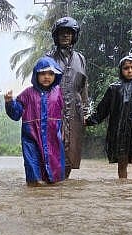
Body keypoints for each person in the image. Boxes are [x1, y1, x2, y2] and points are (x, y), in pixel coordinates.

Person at [85, 55, 132, 184]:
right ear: (121, 70)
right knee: (122, 161)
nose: (129, 70)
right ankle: (123, 190)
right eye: (126, 68)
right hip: (119, 131)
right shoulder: (114, 88)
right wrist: (87, 121)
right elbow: (102, 110)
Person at [5, 56, 65, 186]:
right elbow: (16, 114)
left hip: (52, 136)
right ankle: (34, 186)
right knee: (33, 168)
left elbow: (66, 113)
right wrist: (9, 103)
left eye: (50, 73)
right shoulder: (27, 93)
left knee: (54, 173)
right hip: (31, 137)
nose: (47, 77)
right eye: (43, 73)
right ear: (36, 75)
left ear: (56, 76)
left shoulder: (58, 92)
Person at [47, 16, 90, 179]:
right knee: (53, 149)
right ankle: (53, 182)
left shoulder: (81, 59)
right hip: (54, 110)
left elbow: (84, 86)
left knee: (71, 153)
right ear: (56, 36)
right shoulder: (49, 57)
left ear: (74, 36)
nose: (65, 36)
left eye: (69, 33)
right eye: (62, 33)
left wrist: (85, 112)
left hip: (75, 111)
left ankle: (64, 182)